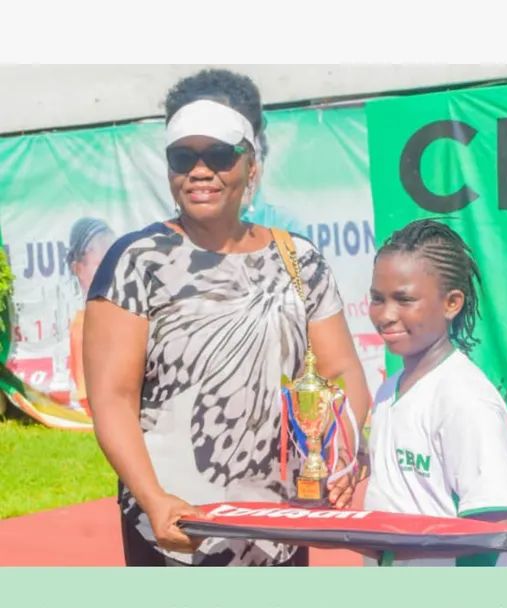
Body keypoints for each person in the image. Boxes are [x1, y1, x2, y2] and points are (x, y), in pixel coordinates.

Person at [83, 69, 370, 567]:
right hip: (176, 526)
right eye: (182, 157)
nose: (200, 171)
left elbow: (341, 371)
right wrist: (153, 498)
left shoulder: (299, 260)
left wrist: (342, 452)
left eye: (218, 155)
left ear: (250, 165)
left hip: (279, 524)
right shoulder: (136, 261)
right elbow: (112, 399)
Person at [363, 219, 507, 567]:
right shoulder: (389, 391)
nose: (386, 315)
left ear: (451, 303)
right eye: (377, 298)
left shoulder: (465, 401)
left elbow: (494, 530)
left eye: (405, 299)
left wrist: (387, 547)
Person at [66, 218, 116, 414]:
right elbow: (89, 397)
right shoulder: (83, 328)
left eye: (114, 262)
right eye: (100, 264)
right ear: (78, 269)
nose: (110, 272)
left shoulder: (119, 317)